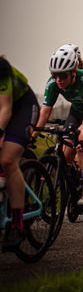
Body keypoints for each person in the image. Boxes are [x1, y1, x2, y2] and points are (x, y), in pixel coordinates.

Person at [32, 45, 83, 205]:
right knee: (66, 150)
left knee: (81, 139)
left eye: (62, 76)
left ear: (73, 72)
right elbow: (44, 112)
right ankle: (72, 185)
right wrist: (32, 137)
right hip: (76, 112)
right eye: (54, 75)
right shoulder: (53, 83)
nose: (58, 80)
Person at [0, 56, 40, 252]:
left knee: (8, 160)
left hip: (21, 107)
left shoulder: (1, 67)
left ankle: (16, 224)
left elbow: (5, 106)